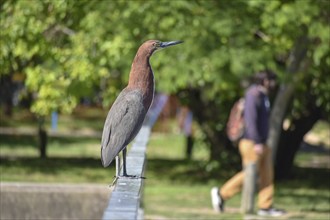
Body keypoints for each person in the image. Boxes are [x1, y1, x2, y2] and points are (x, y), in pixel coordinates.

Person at [211, 70, 285, 217]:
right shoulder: (253, 94)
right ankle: (221, 193)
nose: (274, 83)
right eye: (272, 80)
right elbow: (251, 120)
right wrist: (257, 142)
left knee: (267, 174)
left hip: (262, 143)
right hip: (252, 142)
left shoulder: (263, 96)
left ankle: (265, 206)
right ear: (265, 81)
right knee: (250, 173)